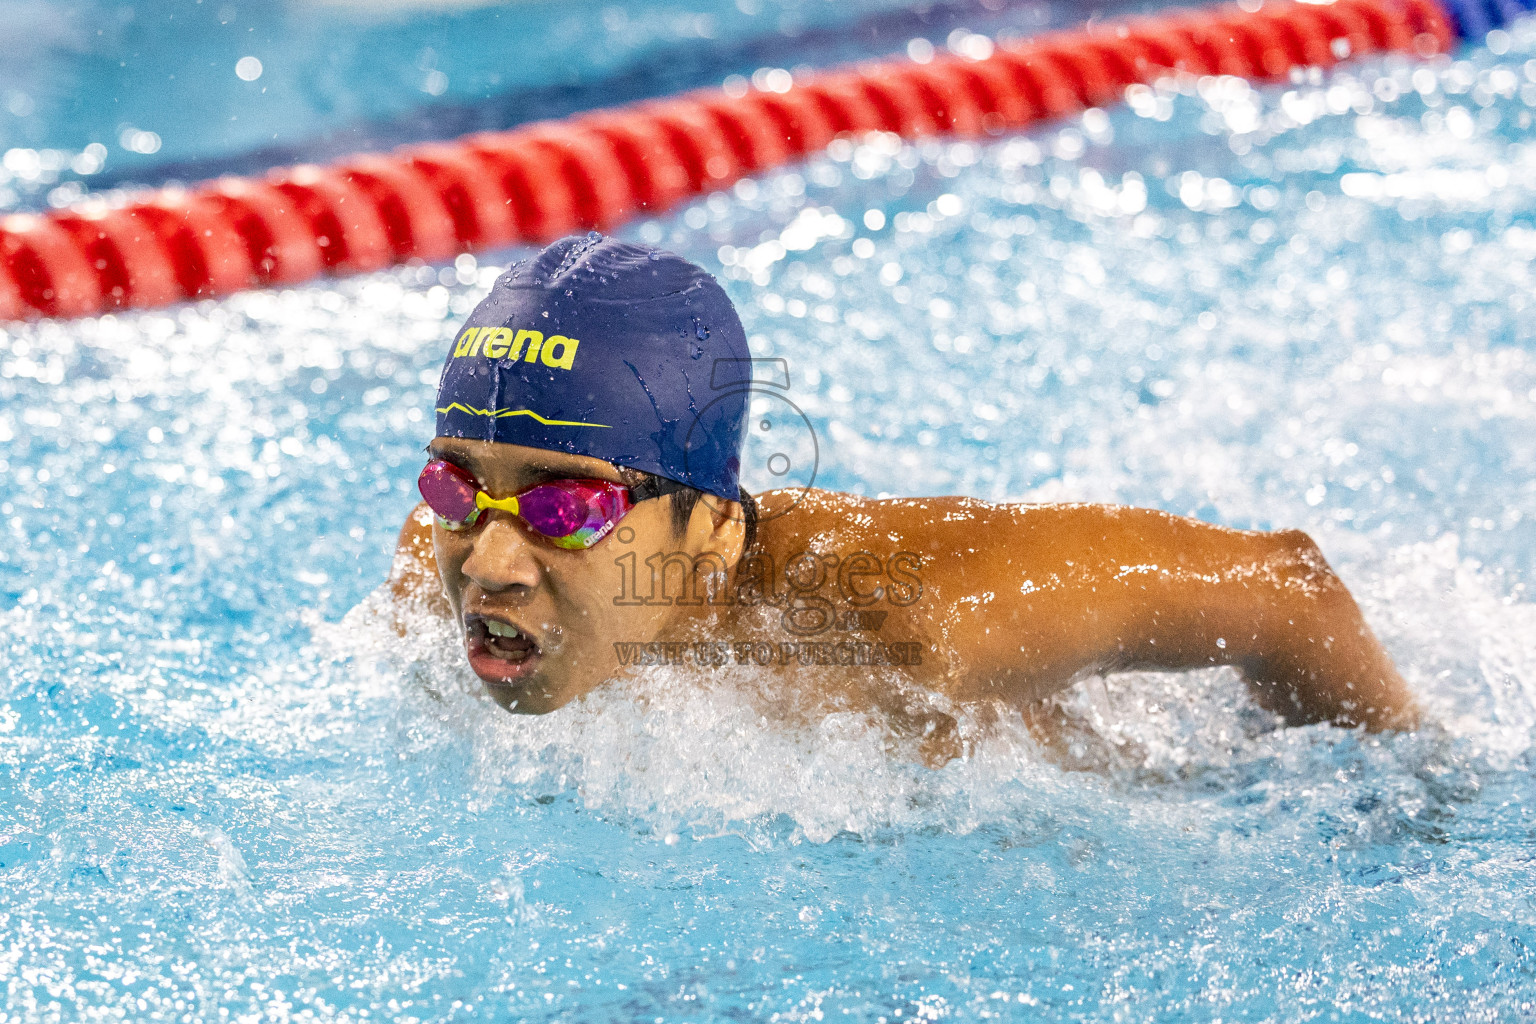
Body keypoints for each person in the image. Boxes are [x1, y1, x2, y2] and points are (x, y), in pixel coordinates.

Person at [389, 234, 1419, 765]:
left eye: (568, 506)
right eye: (457, 484)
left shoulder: (908, 620)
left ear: (706, 524)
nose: (489, 560)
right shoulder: (449, 574)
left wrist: (1413, 799)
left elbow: (1289, 589)